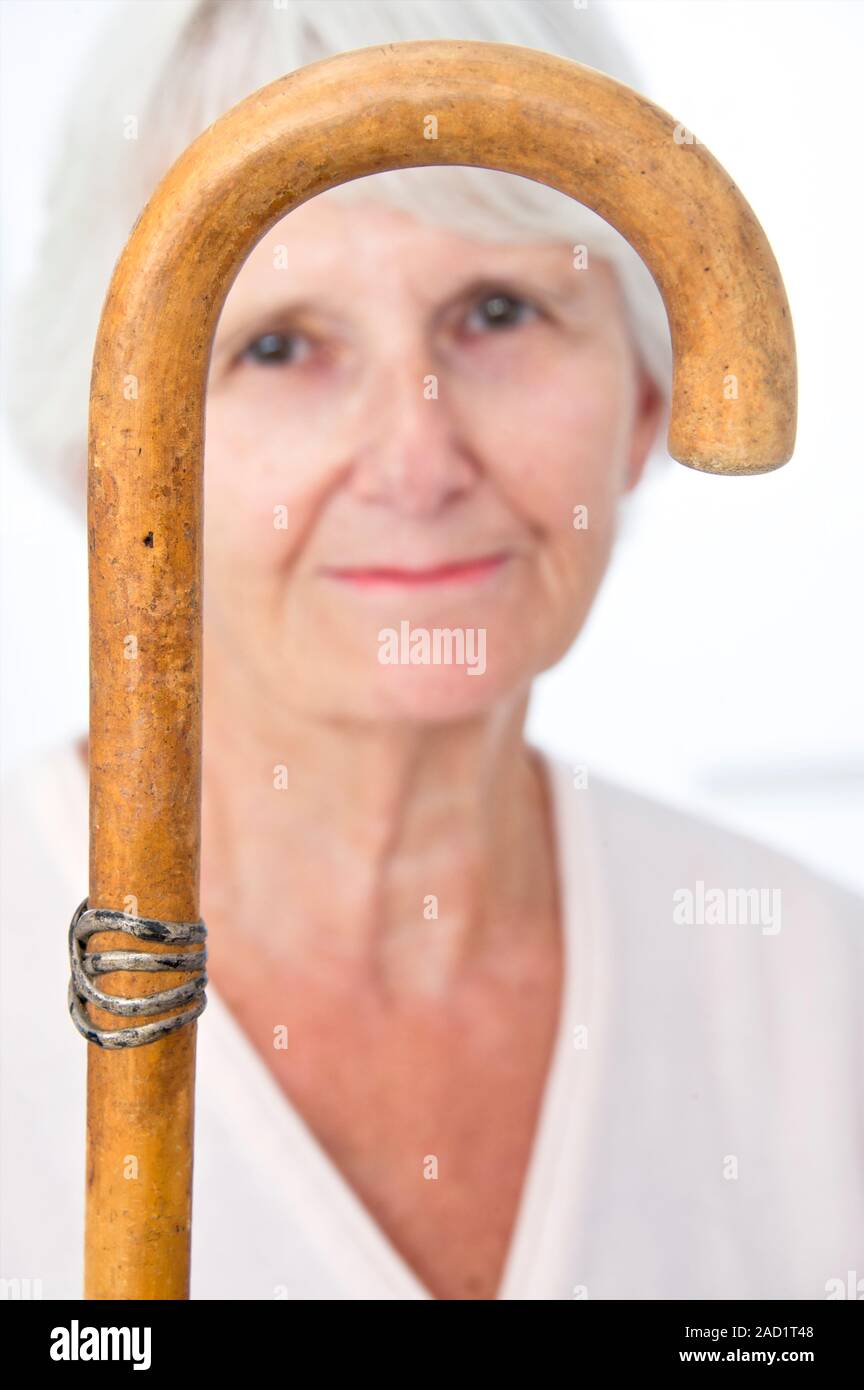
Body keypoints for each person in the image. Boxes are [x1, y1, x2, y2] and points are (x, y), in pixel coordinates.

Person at [1, 0, 861, 1302]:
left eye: (500, 313)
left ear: (644, 396)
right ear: (106, 460)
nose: (418, 461)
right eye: (279, 344)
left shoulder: (812, 992)